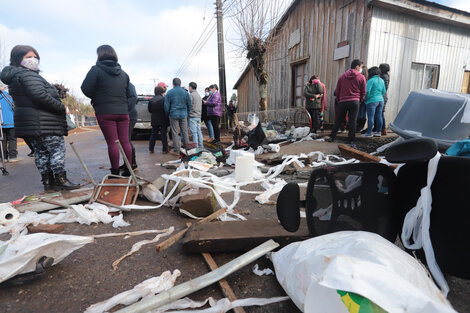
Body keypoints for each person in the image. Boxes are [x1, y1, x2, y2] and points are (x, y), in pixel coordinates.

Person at [0, 45, 79, 190]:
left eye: (35, 57)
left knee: (41, 153)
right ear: (18, 59)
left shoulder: (14, 76)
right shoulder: (28, 74)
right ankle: (61, 179)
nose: (33, 60)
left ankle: (47, 181)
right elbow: (39, 95)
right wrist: (60, 106)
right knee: (56, 150)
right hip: (43, 121)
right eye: (28, 57)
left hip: (29, 122)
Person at [81, 44, 133, 176]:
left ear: (100, 55)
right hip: (123, 112)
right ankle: (128, 170)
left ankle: (115, 172)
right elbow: (128, 93)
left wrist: (97, 96)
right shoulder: (124, 74)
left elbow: (85, 88)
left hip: (105, 111)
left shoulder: (96, 70)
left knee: (112, 142)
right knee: (125, 141)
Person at [328, 59, 367, 146]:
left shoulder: (342, 77)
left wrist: (339, 100)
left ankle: (332, 137)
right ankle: (350, 140)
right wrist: (359, 100)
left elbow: (337, 91)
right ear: (357, 66)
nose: (361, 68)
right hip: (355, 101)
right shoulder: (361, 77)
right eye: (360, 66)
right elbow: (363, 91)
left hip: (343, 101)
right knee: (353, 121)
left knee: (339, 119)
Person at [164, 77, 192, 155]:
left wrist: (168, 114)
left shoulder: (169, 92)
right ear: (180, 83)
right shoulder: (185, 93)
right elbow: (189, 105)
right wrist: (187, 113)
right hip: (183, 114)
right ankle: (187, 148)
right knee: (185, 131)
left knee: (175, 132)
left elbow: (166, 106)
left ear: (173, 84)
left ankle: (176, 149)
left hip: (173, 114)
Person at [362, 66, 386, 137]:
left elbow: (367, 91)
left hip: (372, 101)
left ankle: (369, 133)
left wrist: (365, 99)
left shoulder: (370, 80)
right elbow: (384, 91)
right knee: (379, 117)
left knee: (371, 117)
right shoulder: (382, 80)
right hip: (381, 100)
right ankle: (378, 132)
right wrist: (379, 96)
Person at [120, 82, 138, 173]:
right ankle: (127, 162)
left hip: (129, 116)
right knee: (123, 141)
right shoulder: (119, 83)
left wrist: (124, 110)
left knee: (126, 140)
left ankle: (133, 163)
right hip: (126, 115)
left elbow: (134, 97)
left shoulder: (128, 84)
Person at [0, 87, 21, 163]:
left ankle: (3, 157)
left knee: (2, 140)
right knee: (12, 139)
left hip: (0, 124)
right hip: (11, 122)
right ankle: (12, 156)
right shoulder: (8, 96)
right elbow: (14, 107)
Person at [148, 86, 169, 154]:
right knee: (163, 134)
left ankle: (151, 149)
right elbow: (166, 109)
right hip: (163, 119)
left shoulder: (151, 100)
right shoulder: (164, 99)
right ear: (161, 92)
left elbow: (149, 110)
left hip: (154, 119)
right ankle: (164, 149)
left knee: (153, 134)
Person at [188, 82, 203, 149]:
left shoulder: (191, 95)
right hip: (198, 116)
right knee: (199, 132)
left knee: (194, 133)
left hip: (192, 116)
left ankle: (196, 148)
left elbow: (189, 106)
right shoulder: (199, 95)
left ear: (190, 87)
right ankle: (201, 146)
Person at [378, 63, 390, 136]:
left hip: (382, 97)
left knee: (380, 113)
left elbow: (384, 88)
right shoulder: (385, 76)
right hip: (383, 96)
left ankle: (383, 129)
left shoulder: (383, 76)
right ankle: (381, 129)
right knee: (380, 113)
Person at [356, 65, 369, 132]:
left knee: (359, 112)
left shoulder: (360, 77)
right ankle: (361, 127)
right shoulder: (368, 79)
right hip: (365, 98)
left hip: (359, 97)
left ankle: (358, 127)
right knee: (363, 112)